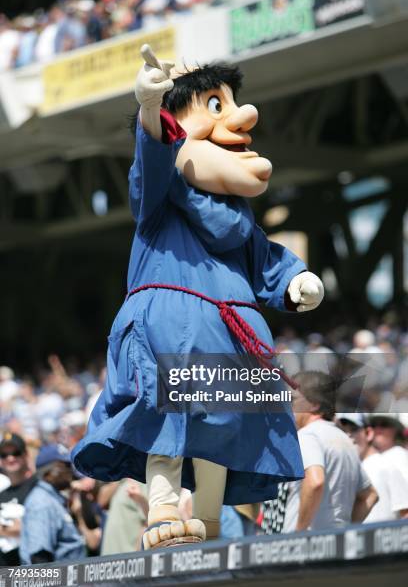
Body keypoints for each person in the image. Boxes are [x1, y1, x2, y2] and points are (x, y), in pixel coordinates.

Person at [72, 44, 324, 549]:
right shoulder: (162, 198)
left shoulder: (240, 221)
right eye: (215, 105)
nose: (237, 118)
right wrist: (150, 108)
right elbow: (152, 160)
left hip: (232, 331)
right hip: (172, 320)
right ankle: (164, 507)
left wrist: (295, 280)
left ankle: (205, 520)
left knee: (222, 425)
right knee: (167, 413)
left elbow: (264, 261)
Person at [282, 372, 378, 532]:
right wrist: (345, 531)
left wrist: (298, 534)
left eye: (292, 400)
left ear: (314, 405)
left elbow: (315, 482)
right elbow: (370, 495)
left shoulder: (308, 435)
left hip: (304, 549)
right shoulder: (345, 439)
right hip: (335, 548)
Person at [19, 444, 85, 565]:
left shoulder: (51, 498)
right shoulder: (42, 502)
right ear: (48, 472)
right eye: (65, 466)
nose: (71, 471)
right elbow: (39, 558)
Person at [337, 413, 408, 522]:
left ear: (369, 433)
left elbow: (405, 512)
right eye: (342, 431)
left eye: (353, 429)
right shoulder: (349, 468)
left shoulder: (389, 462)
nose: (348, 435)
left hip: (385, 537)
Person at [0, 433, 37, 566]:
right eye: (4, 455)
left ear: (25, 455)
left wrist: (5, 530)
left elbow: (36, 529)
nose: (10, 458)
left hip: (33, 571)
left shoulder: (37, 488)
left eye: (15, 453)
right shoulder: (1, 494)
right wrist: (12, 530)